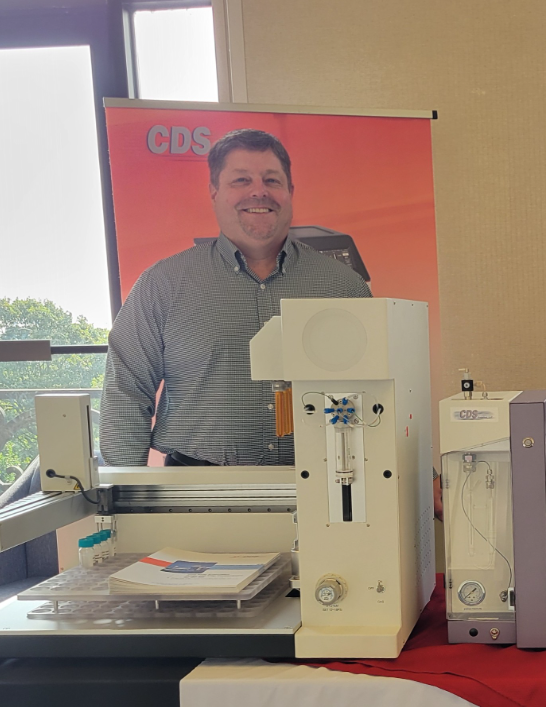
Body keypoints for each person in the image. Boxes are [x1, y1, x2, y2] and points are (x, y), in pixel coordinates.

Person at [101, 128, 371, 467]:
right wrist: (127, 490)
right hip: (198, 489)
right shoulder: (163, 284)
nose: (259, 191)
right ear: (214, 192)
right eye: (241, 180)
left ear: (290, 191)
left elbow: (379, 389)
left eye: (272, 180)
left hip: (325, 481)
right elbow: (126, 391)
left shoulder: (344, 287)